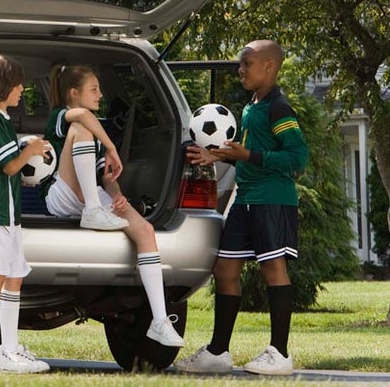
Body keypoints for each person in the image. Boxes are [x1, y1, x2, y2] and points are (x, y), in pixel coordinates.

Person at [175, 40, 309, 376]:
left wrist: (246, 156)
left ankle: (280, 354)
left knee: (273, 271)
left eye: (246, 63)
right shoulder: (253, 107)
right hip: (245, 200)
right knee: (224, 271)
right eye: (240, 64)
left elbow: (297, 159)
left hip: (272, 201)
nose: (240, 70)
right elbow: (245, 150)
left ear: (269, 66)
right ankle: (218, 352)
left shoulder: (279, 108)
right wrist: (215, 155)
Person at [43, 64, 186, 348]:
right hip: (61, 196)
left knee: (144, 230)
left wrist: (118, 195)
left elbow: (105, 179)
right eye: (94, 89)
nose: (100, 95)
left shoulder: (93, 137)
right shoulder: (59, 117)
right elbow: (82, 116)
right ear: (74, 93)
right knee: (81, 126)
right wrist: (110, 146)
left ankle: (159, 320)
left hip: (92, 195)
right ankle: (94, 211)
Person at [0, 53, 51, 373]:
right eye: (17, 83)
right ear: (1, 86)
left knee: (14, 277)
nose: (21, 88)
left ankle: (11, 349)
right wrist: (28, 150)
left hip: (10, 216)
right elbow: (10, 166)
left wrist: (20, 148)